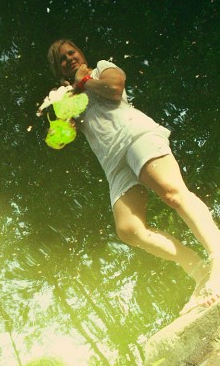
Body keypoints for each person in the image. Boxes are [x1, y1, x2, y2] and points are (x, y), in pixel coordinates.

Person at [47, 39, 220, 314]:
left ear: (80, 53)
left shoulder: (101, 68)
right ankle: (199, 271)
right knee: (129, 230)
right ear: (59, 70)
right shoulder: (68, 100)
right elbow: (61, 138)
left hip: (135, 136)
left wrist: (84, 80)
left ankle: (217, 256)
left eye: (71, 52)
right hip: (112, 162)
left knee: (172, 192)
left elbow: (114, 89)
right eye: (62, 59)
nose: (69, 59)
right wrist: (60, 125)